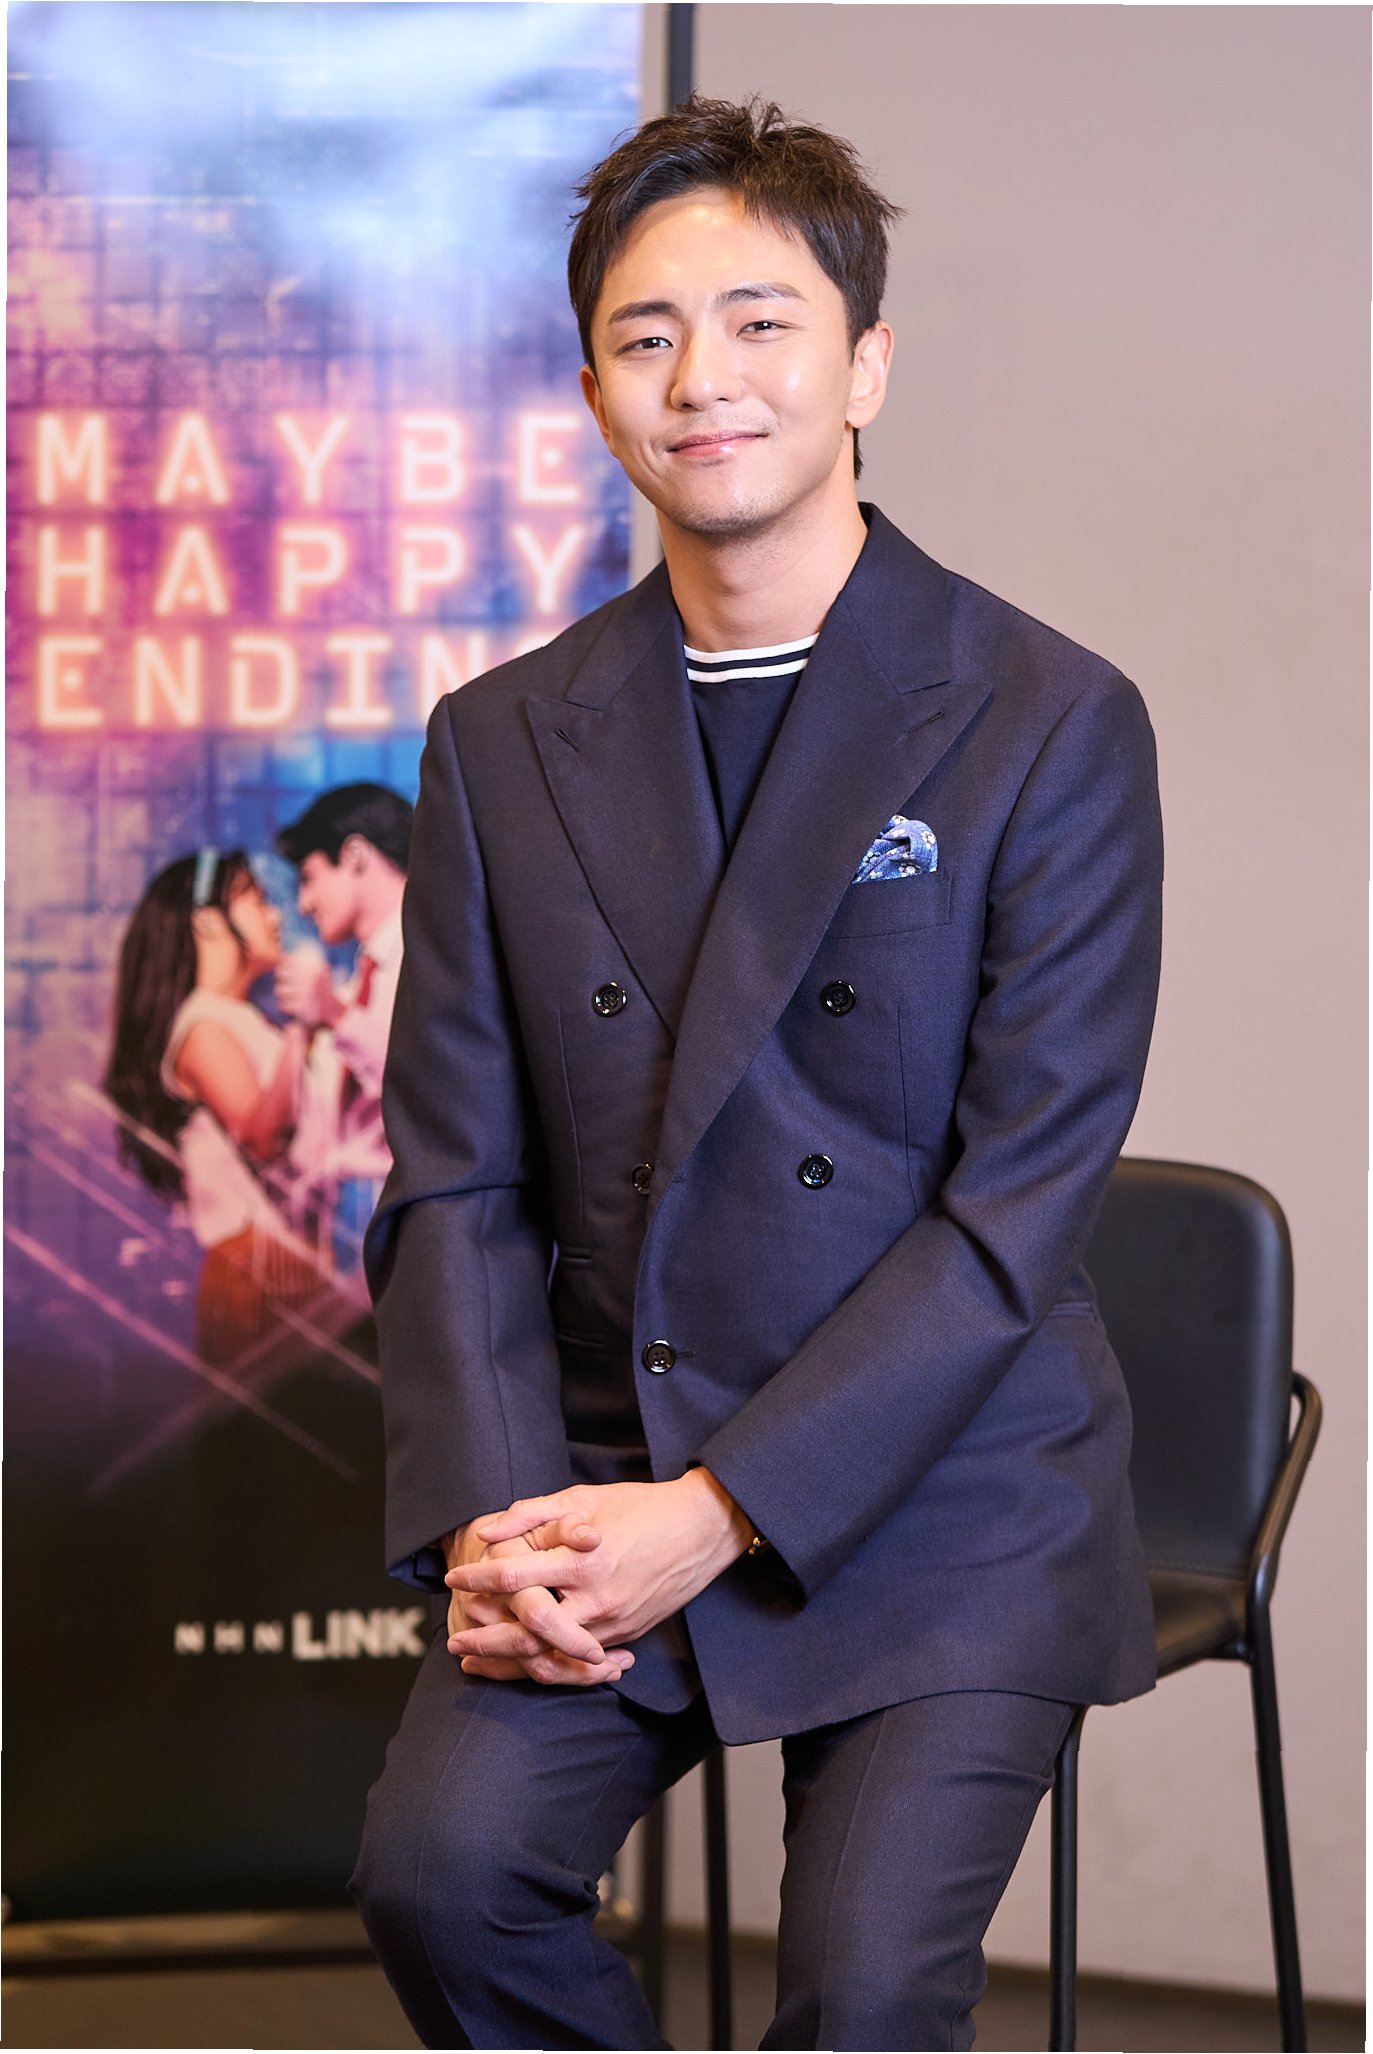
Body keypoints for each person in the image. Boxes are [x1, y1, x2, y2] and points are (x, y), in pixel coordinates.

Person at [351, 95, 1164, 2052]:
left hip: (943, 1486)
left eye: (756, 322)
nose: (698, 377)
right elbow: (457, 1179)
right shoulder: (499, 740)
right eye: (643, 335)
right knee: (439, 1876)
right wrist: (492, 1521)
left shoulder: (1045, 720)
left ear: (862, 362)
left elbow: (1009, 1215)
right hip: (602, 1455)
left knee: (863, 1994)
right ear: (592, 393)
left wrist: (719, 1506)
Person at [103, 846, 318, 1371]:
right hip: (255, 1269)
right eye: (256, 901)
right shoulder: (203, 1027)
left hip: (286, 1262)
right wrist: (304, 1030)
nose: (275, 916)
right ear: (207, 922)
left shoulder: (240, 1017)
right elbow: (263, 1139)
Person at [273, 784, 412, 1274]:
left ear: (354, 856)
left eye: (309, 878)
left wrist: (335, 1016)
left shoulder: (443, 957)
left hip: (422, 1238)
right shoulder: (356, 983)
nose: (304, 904)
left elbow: (433, 1089)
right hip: (356, 1248)